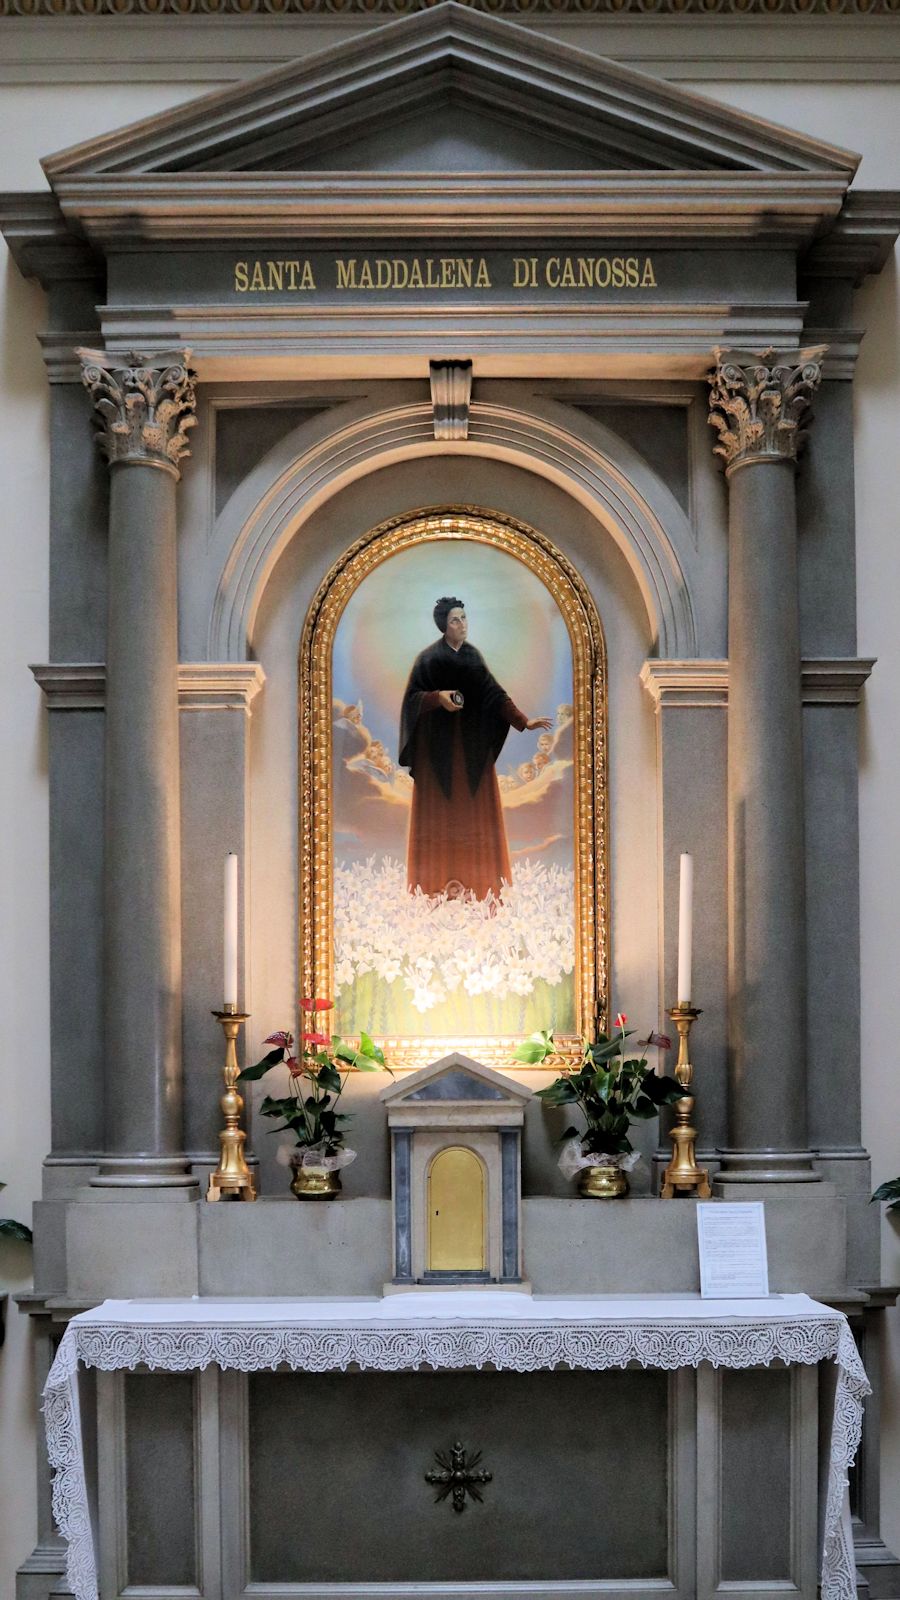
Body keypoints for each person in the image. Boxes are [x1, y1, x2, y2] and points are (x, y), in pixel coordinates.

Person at [398, 596, 552, 900]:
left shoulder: (472, 657)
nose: (462, 624)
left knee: (475, 817)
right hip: (437, 756)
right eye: (456, 620)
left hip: (472, 752)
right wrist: (436, 698)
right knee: (438, 819)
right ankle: (433, 892)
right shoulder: (428, 659)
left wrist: (524, 721)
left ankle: (482, 892)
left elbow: (493, 693)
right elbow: (412, 699)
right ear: (444, 625)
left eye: (464, 618)